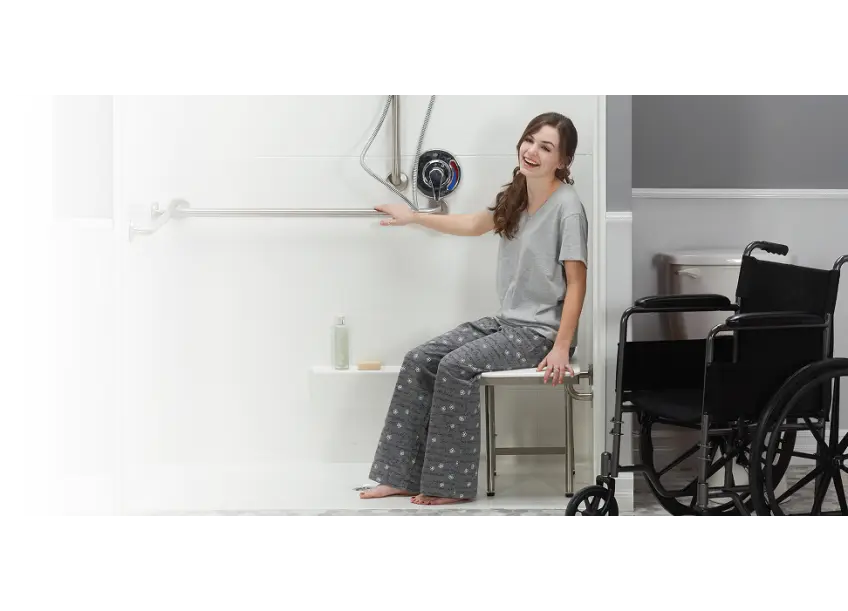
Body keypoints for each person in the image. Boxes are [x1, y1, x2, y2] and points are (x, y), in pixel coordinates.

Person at [359, 112, 588, 505]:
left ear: (563, 161)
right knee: (420, 358)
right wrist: (413, 217)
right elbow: (472, 224)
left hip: (540, 333)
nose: (531, 151)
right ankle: (401, 476)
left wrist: (562, 345)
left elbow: (577, 282)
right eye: (529, 140)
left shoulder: (567, 207)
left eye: (546, 147)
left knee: (454, 366)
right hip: (506, 323)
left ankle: (449, 485)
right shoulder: (518, 193)